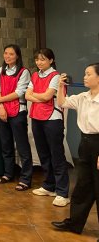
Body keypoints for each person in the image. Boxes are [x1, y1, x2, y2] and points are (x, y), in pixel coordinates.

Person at [51, 63, 99, 235]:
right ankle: (74, 223)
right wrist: (60, 86)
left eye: (88, 74)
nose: (85, 77)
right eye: (85, 73)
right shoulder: (83, 97)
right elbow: (62, 102)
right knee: (82, 187)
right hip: (85, 143)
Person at [25, 48, 70, 206]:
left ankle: (62, 192)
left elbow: (47, 96)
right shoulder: (35, 75)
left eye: (43, 59)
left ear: (51, 60)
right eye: (37, 59)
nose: (39, 62)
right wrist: (41, 96)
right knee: (43, 154)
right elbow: (27, 95)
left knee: (57, 155)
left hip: (52, 118)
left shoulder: (56, 76)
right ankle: (49, 186)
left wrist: (37, 95)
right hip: (36, 116)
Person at [0, 44, 33, 191]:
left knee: (22, 146)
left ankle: (25, 178)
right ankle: (8, 173)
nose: (7, 56)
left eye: (11, 54)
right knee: (6, 144)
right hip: (2, 111)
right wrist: (1, 107)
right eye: (6, 53)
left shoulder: (24, 72)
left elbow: (19, 92)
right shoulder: (0, 70)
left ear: (17, 56)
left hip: (18, 111)